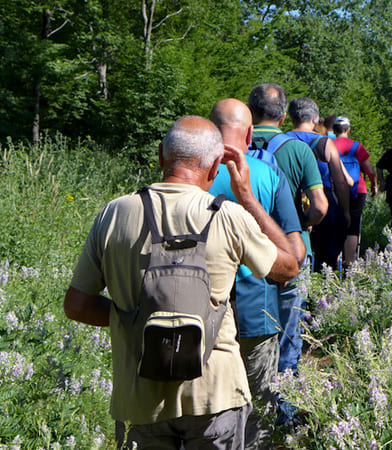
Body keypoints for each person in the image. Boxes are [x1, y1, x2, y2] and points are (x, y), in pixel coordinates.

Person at [63, 116, 298, 449]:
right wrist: (246, 196)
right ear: (216, 166)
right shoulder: (229, 216)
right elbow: (288, 267)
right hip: (216, 394)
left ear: (160, 156)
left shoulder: (114, 214)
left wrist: (130, 318)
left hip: (140, 399)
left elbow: (77, 305)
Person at [208, 98, 303, 448]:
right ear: (250, 134)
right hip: (254, 315)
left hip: (197, 315)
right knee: (256, 414)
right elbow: (296, 255)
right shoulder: (265, 173)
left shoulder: (188, 169)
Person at [247, 83, 324, 424]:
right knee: (288, 332)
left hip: (246, 252)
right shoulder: (298, 149)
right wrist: (304, 226)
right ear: (283, 115)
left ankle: (248, 409)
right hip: (290, 251)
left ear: (252, 112)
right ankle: (285, 412)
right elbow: (320, 205)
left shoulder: (237, 145)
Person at [285, 97, 351, 273]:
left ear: (291, 118)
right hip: (323, 201)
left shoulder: (281, 140)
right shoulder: (324, 143)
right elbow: (341, 182)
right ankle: (323, 296)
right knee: (327, 260)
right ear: (314, 119)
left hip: (291, 201)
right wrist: (345, 211)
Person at [332, 116, 377, 270]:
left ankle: (334, 260)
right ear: (348, 130)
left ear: (334, 130)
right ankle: (350, 263)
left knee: (337, 223)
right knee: (353, 225)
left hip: (336, 188)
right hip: (358, 189)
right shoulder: (357, 146)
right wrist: (374, 185)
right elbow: (370, 170)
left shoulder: (328, 145)